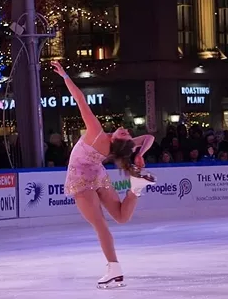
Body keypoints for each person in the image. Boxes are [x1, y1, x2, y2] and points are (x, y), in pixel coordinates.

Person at [51, 61, 156, 288]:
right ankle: (135, 189)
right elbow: (149, 139)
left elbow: (80, 100)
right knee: (120, 217)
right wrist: (138, 154)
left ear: (118, 141)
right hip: (97, 175)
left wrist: (66, 76)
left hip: (81, 179)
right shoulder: (118, 146)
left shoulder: (97, 133)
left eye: (126, 135)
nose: (127, 131)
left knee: (100, 225)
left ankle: (114, 268)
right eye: (127, 133)